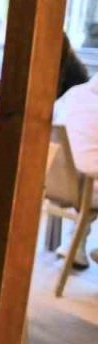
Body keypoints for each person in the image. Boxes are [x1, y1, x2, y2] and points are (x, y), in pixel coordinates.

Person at [54, 70, 98, 268]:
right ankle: (75, 243)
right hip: (88, 186)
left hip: (58, 181)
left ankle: (74, 244)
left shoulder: (73, 94)